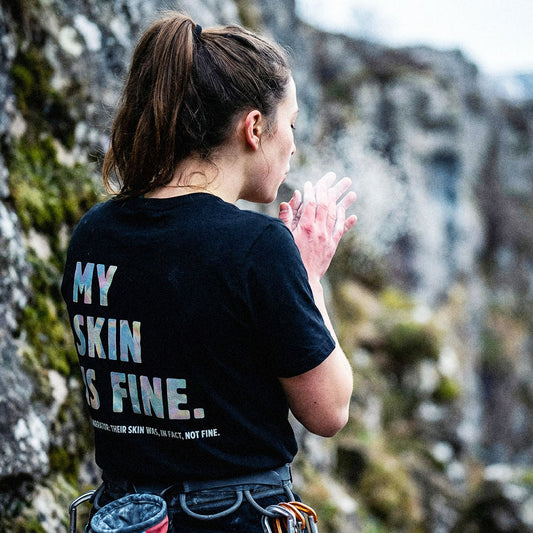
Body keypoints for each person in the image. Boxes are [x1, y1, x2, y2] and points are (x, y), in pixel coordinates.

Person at [61, 11, 356, 533]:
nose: (293, 145)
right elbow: (329, 410)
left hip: (124, 517)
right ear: (254, 127)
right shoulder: (257, 247)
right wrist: (308, 274)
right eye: (290, 125)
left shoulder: (94, 234)